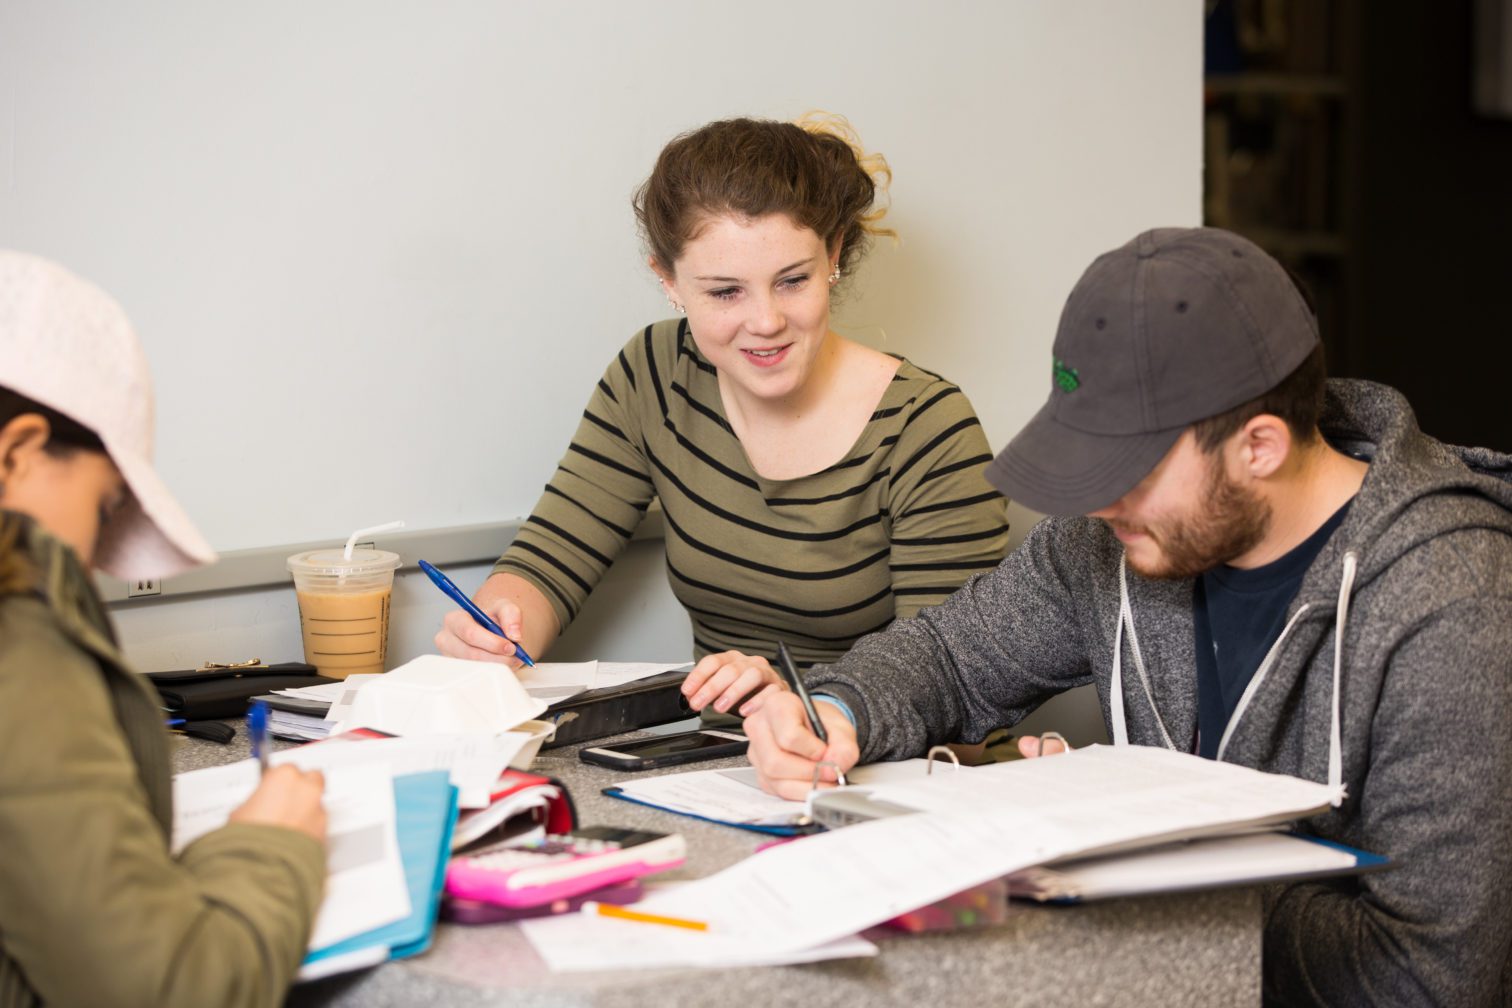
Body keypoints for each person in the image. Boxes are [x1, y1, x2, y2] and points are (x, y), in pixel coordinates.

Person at [743, 227, 1512, 1005]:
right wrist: (836, 712)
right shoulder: (1111, 540)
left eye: (1129, 470)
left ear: (1261, 447)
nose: (1099, 499)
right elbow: (947, 655)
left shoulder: (1452, 604)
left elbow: (1426, 977)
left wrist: (1127, 859)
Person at [436, 115, 1010, 715]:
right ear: (669, 281)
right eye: (724, 292)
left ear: (833, 256)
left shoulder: (926, 427)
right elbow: (552, 556)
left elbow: (960, 684)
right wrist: (497, 629)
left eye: (792, 281)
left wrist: (795, 702)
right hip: (716, 765)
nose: (765, 321)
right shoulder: (655, 374)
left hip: (898, 772)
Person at [0, 251, 329, 1008]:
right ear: (19, 452)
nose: (93, 558)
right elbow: (170, 988)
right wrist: (271, 841)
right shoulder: (20, 641)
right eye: (107, 506)